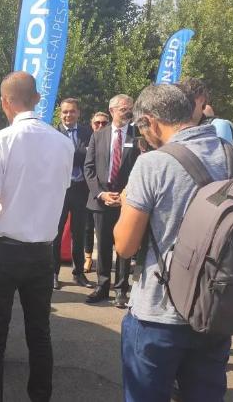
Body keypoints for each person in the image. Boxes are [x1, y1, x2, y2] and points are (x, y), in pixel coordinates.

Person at [113, 84, 233, 402]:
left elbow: (125, 245)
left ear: (151, 122)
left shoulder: (152, 164)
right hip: (218, 309)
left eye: (142, 128)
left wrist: (127, 202)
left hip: (159, 313)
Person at [0, 71, 73, 402]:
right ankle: (40, 396)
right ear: (38, 99)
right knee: (39, 333)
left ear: (4, 102)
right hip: (42, 252)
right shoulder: (63, 142)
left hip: (4, 252)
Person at [84, 94, 139, 308]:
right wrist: (101, 194)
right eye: (123, 109)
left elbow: (142, 168)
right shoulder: (98, 136)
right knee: (104, 245)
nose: (127, 112)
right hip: (102, 200)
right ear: (112, 110)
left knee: (124, 246)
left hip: (127, 200)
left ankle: (121, 290)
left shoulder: (138, 136)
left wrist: (125, 194)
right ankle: (102, 286)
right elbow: (89, 169)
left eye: (130, 108)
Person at [52, 98, 93, 290]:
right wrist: (78, 152)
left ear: (78, 113)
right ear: (60, 113)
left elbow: (89, 156)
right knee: (56, 233)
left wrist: (72, 153)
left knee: (79, 232)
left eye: (72, 112)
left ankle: (79, 274)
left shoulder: (88, 132)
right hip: (59, 190)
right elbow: (55, 159)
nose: (68, 115)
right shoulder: (52, 133)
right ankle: (53, 273)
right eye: (65, 112)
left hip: (80, 189)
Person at [83, 111, 110, 273]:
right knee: (87, 227)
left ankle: (103, 263)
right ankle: (87, 257)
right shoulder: (87, 138)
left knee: (104, 232)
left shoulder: (112, 140)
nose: (100, 126)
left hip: (103, 192)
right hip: (84, 190)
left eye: (104, 123)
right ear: (92, 124)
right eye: (97, 123)